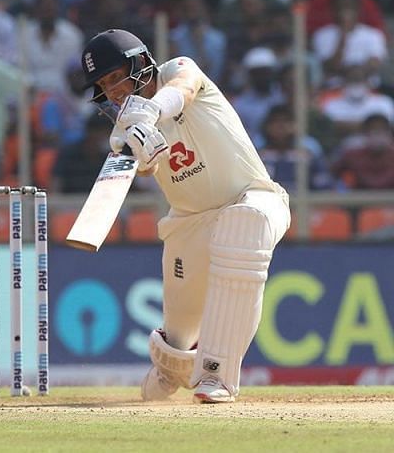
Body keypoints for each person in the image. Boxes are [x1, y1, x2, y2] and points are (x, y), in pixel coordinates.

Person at [80, 29, 290, 403]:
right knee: (177, 339)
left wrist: (152, 112)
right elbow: (145, 171)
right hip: (188, 224)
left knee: (245, 222)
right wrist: (138, 152)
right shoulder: (127, 127)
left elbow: (185, 86)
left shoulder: (177, 69)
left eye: (115, 77)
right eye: (103, 84)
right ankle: (169, 368)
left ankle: (217, 376)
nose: (111, 91)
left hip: (255, 196)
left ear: (141, 64)